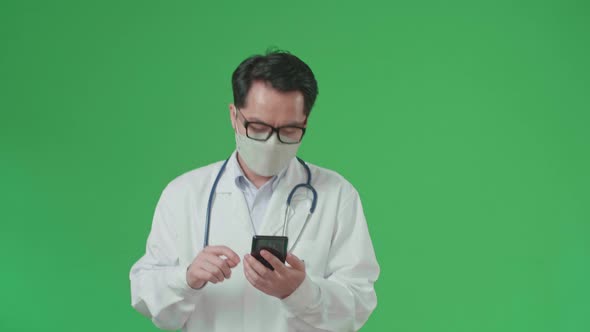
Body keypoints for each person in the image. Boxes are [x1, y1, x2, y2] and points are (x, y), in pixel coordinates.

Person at [129, 49, 380, 331]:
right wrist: (186, 278)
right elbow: (146, 296)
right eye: (258, 127)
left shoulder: (337, 196)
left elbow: (358, 305)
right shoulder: (184, 194)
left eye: (288, 130)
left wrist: (301, 292)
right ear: (234, 116)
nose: (272, 143)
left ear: (305, 122)